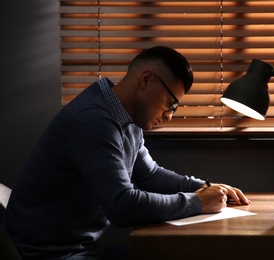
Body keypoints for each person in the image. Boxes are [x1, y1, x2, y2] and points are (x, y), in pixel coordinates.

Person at [3, 46, 250, 259]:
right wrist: (197, 201)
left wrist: (205, 187)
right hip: (51, 254)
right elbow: (122, 206)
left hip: (84, 247)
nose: (170, 115)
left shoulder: (125, 117)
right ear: (146, 80)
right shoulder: (93, 120)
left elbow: (149, 175)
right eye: (170, 103)